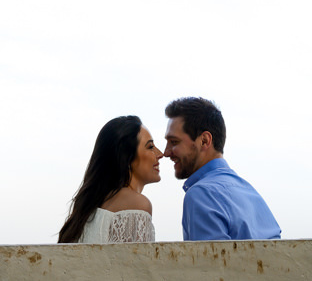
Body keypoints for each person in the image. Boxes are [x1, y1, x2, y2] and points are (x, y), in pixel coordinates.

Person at [164, 97, 281, 241]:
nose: (166, 152)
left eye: (174, 142)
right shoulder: (249, 192)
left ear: (204, 140)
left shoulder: (201, 194)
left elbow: (210, 263)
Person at [58, 115, 164, 243]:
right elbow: (136, 262)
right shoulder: (137, 205)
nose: (160, 154)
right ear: (127, 157)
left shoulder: (86, 208)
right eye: (150, 147)